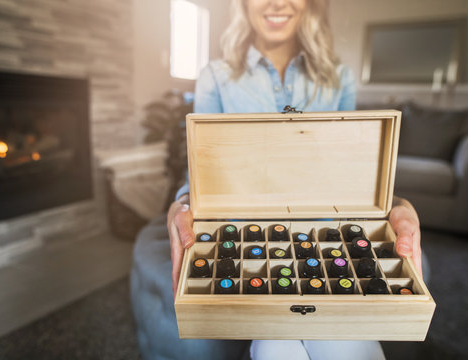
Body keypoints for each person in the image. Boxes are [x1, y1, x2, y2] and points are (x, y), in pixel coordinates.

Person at [141, 0, 423, 359]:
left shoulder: (338, 76)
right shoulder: (215, 75)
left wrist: (398, 205)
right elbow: (200, 172)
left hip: (324, 234)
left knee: (349, 345)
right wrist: (181, 205)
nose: (277, 2)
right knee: (277, 346)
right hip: (243, 233)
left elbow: (349, 170)